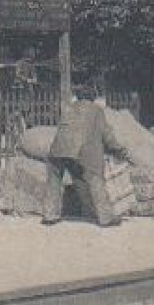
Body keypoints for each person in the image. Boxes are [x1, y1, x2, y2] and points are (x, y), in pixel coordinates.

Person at [42, 86, 129, 227]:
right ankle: (106, 217)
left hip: (58, 148)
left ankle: (49, 215)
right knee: (95, 179)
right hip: (82, 150)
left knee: (54, 179)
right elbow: (106, 134)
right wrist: (119, 150)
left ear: (78, 96)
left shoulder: (68, 108)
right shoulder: (96, 110)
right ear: (93, 97)